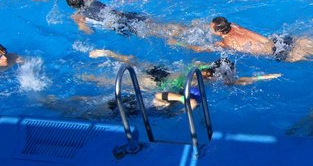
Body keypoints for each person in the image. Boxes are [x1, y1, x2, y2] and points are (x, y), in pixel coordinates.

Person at [84, 49, 281, 111]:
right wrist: (263, 77)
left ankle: (108, 55)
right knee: (119, 82)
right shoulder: (208, 78)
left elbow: (196, 62)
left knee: (135, 63)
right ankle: (89, 77)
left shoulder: (203, 66)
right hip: (160, 84)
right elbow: (240, 82)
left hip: (165, 72)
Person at [176, 16, 313, 63]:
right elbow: (221, 26)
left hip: (277, 53)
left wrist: (177, 42)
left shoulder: (225, 43)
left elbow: (198, 49)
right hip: (279, 40)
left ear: (218, 32)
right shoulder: (234, 25)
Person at [65, 0, 185, 39]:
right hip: (123, 15)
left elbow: (89, 32)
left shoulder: (78, 17)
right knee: (156, 23)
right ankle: (183, 28)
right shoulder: (91, 0)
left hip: (117, 24)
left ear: (71, 7)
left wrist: (81, 27)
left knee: (154, 32)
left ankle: (180, 35)